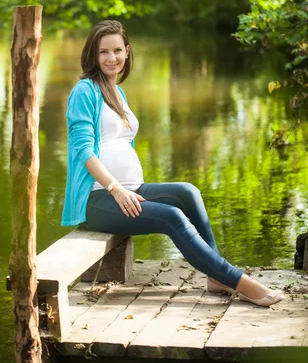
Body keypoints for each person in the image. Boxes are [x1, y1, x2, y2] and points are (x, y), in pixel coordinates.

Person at [61, 20, 284, 307]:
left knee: (187, 192)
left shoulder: (117, 92)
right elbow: (83, 150)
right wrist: (116, 189)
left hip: (130, 190)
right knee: (171, 217)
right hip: (98, 198)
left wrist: (127, 187)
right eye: (103, 52)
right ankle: (236, 279)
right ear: (93, 54)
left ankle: (216, 275)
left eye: (117, 50)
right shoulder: (85, 90)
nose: (111, 58)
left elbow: (119, 144)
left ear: (127, 51)